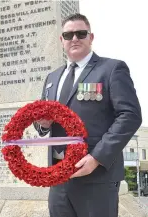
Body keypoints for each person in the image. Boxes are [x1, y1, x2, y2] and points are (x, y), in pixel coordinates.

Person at [34, 13, 142, 217]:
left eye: (81, 33)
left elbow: (130, 115)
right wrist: (44, 124)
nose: (74, 38)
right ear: (61, 41)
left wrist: (97, 157)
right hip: (58, 178)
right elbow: (42, 125)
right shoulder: (52, 78)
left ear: (91, 38)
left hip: (96, 177)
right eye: (68, 35)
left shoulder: (111, 69)